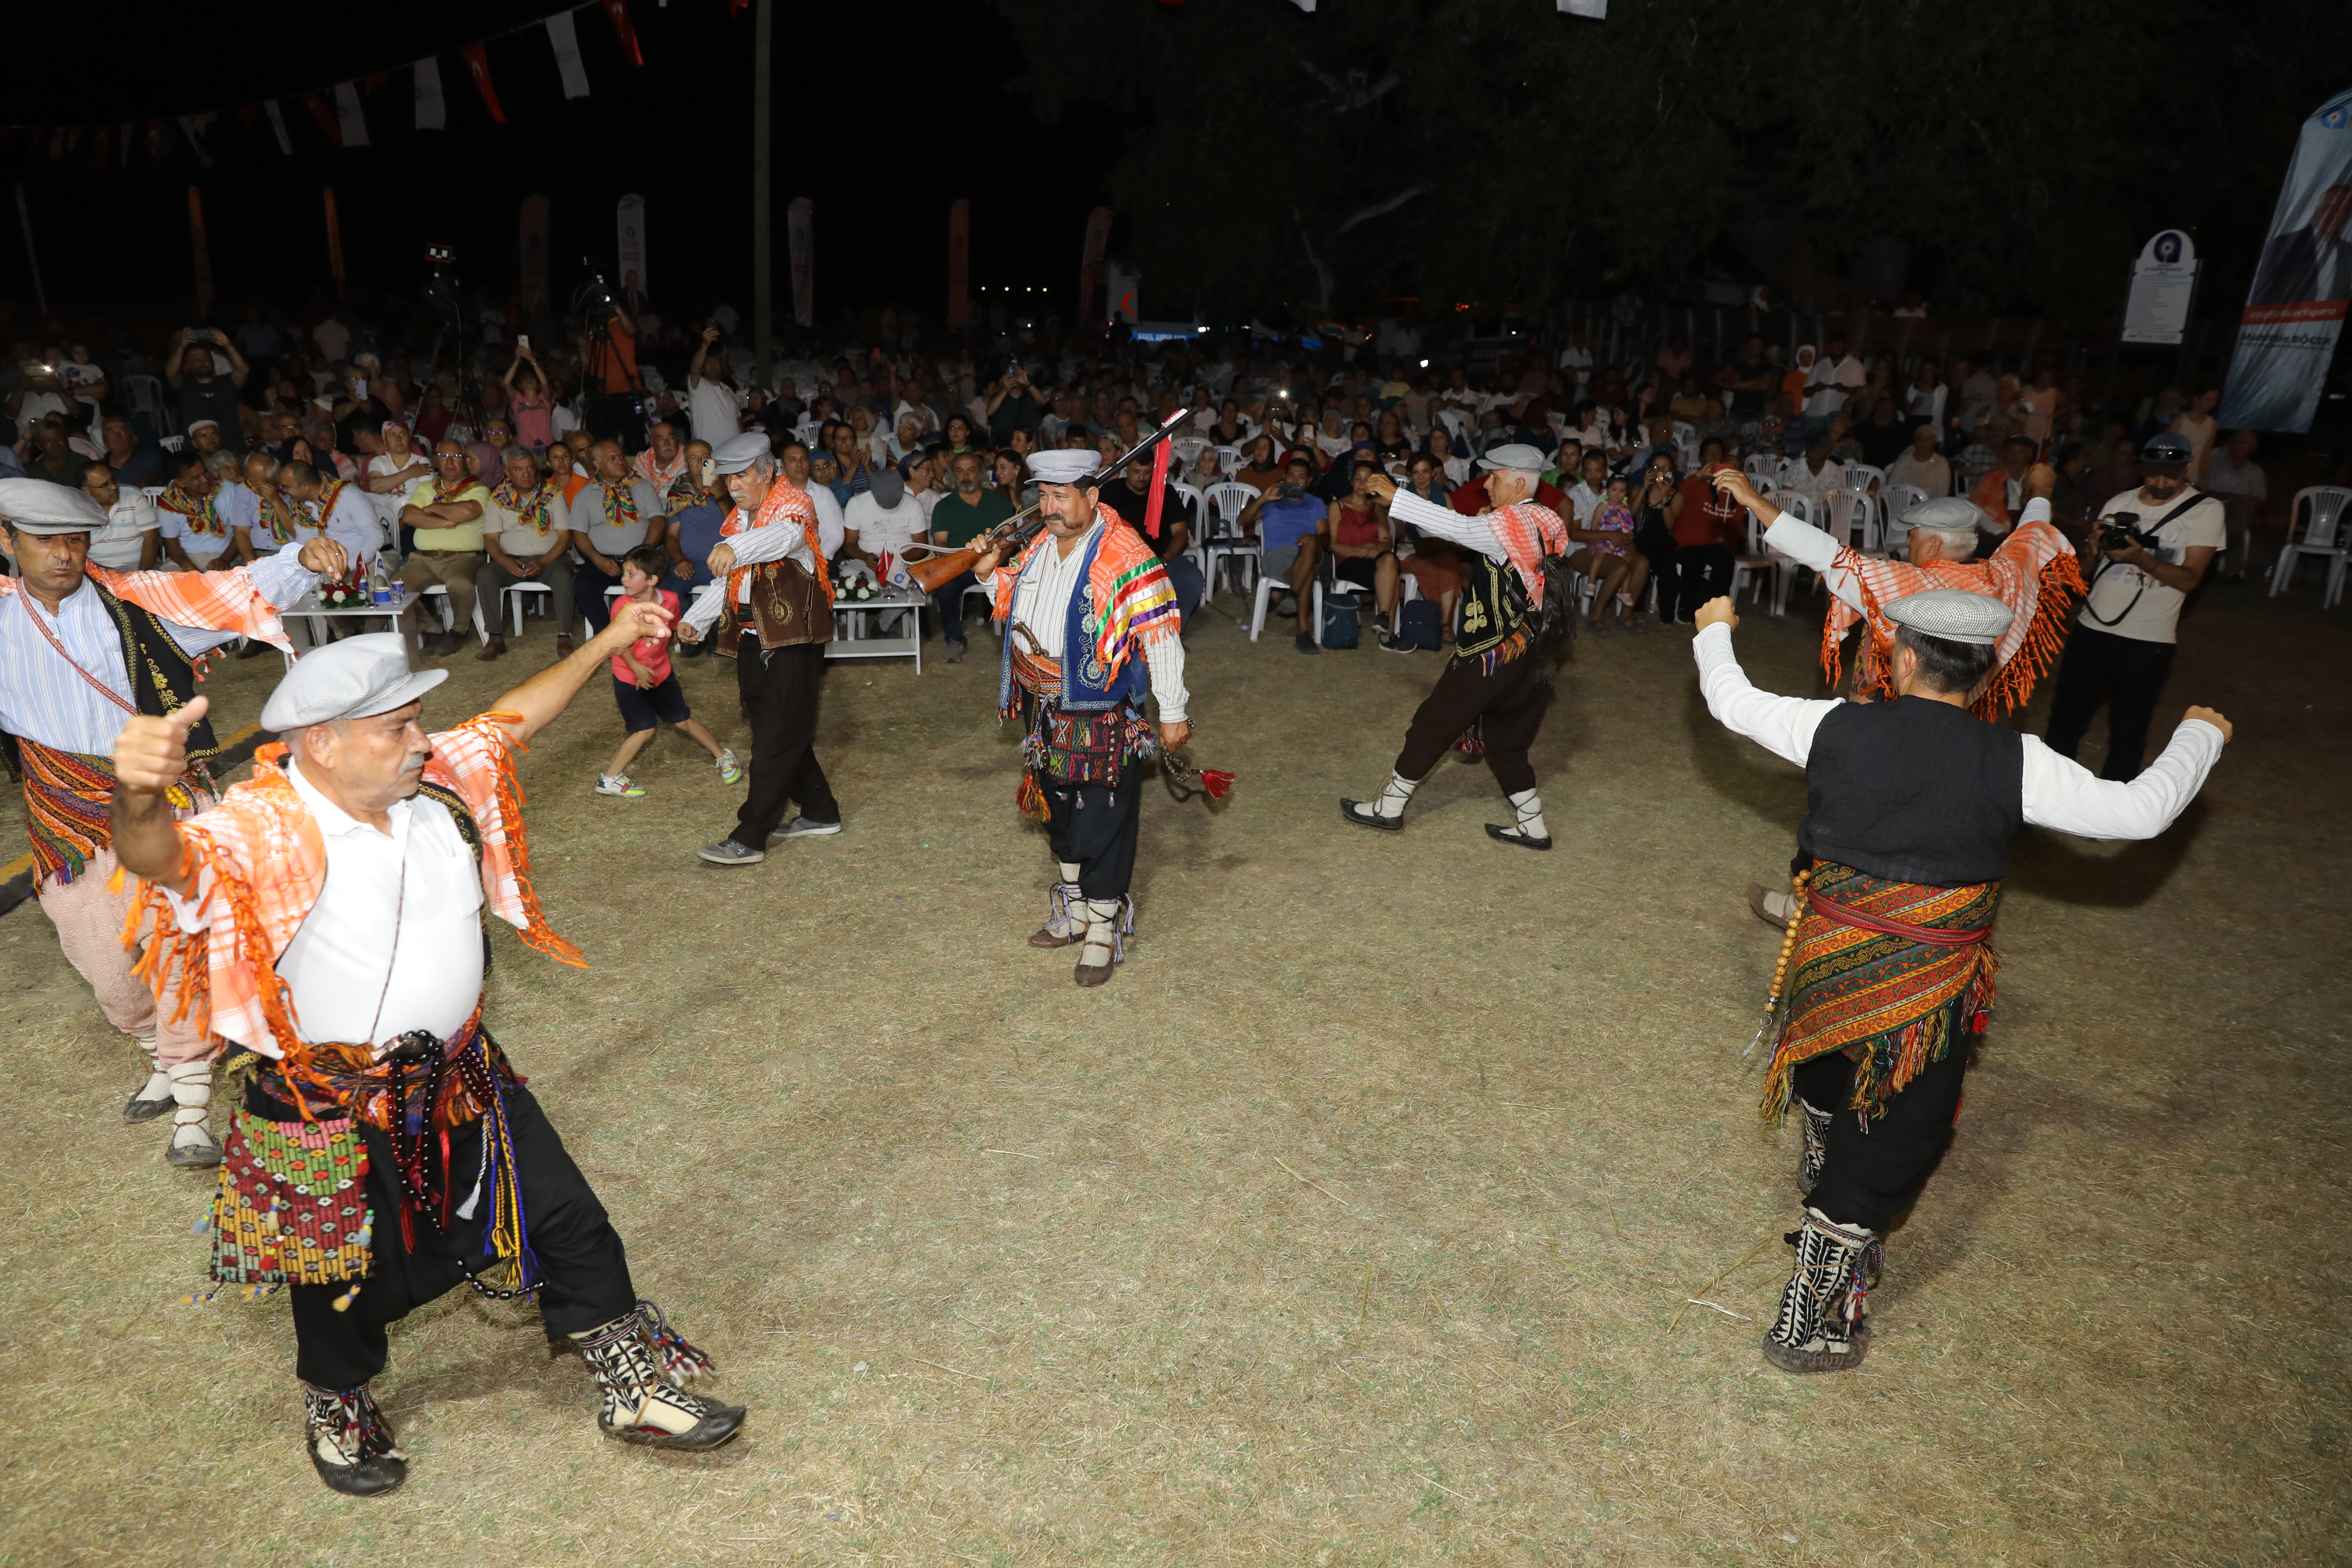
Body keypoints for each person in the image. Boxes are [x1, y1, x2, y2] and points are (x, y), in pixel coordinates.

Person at [108, 621, 747, 1498]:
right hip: (321, 1101)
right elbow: (163, 860)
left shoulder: (434, 782)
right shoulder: (256, 829)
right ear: (320, 743)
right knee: (337, 1274)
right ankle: (339, 1405)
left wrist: (604, 646)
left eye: (419, 721)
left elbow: (510, 722)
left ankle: (631, 1388)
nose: (424, 742)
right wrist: (139, 796)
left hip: (464, 1075)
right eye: (398, 727)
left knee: (570, 1220)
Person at [1690, 586, 2230, 1374]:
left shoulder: (1834, 723)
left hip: (1830, 963)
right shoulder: (2016, 761)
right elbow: (2139, 813)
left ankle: (1822, 1156)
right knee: (1898, 1127)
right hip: (1925, 989)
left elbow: (1730, 701)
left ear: (1902, 656)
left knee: (1832, 1056)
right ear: (1987, 676)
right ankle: (1812, 1318)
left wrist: (1714, 630)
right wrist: (2199, 735)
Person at [0, 477, 339, 1167]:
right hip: (63, 817)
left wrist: (299, 559)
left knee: (182, 948)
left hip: (164, 801)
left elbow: (229, 590)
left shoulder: (135, 603)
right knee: (108, 970)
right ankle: (158, 1053)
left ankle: (191, 1109)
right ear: (6, 543)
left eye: (75, 539)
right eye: (45, 541)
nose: (64, 554)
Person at [964, 449, 1190, 988]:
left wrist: (1174, 710)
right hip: (1041, 702)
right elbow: (1014, 601)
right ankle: (1073, 907)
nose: (1050, 507)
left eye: (1061, 496)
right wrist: (986, 573)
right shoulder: (1039, 544)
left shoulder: (1127, 553)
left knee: (1102, 814)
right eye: (1043, 495)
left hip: (1099, 704)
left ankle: (1102, 927)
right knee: (1057, 806)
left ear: (1092, 496)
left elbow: (1161, 632)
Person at [1340, 444, 1569, 849]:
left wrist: (1399, 498)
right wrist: (1473, 520)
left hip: (1495, 652)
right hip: (1534, 655)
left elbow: (1458, 530)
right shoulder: (1545, 519)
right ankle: (1533, 826)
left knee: (1433, 723)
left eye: (1494, 477)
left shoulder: (1509, 524)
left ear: (1519, 482)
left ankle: (1389, 807)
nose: (1486, 484)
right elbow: (1463, 531)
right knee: (1507, 741)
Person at [678, 433, 845, 865]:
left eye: (743, 475)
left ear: (767, 472)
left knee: (774, 737)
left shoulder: (794, 506)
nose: (733, 485)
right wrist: (696, 619)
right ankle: (820, 810)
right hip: (754, 639)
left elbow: (784, 540)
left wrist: (735, 547)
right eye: (728, 477)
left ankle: (750, 835)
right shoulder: (740, 519)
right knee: (779, 728)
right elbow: (731, 581)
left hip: (793, 642)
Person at [2043, 432, 2225, 781]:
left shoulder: (2206, 510)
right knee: (2065, 717)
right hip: (2092, 628)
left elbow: (2190, 579)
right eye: (2153, 471)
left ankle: (2114, 809)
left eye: (2170, 473)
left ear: (2187, 467)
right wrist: (2093, 548)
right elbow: (2083, 574)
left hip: (2148, 638)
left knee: (2129, 728)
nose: (2160, 481)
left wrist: (2140, 558)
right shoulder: (2119, 502)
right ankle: (2052, 796)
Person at [597, 545, 740, 797]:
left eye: (632, 574)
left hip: (661, 673)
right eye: (624, 573)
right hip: (629, 676)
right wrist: (637, 668)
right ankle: (610, 779)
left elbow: (674, 627)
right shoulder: (621, 606)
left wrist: (683, 636)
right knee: (645, 729)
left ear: (652, 580)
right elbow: (617, 644)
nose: (624, 579)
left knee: (683, 720)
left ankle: (724, 756)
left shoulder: (671, 600)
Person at [473, 447, 576, 661]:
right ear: (507, 473)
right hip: (512, 560)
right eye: (519, 469)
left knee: (562, 576)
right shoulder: (498, 499)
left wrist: (544, 561)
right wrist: (505, 561)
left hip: (551, 559)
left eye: (530, 468)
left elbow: (565, 537)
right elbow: (490, 540)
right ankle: (495, 637)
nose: (526, 474)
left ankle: (564, 637)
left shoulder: (553, 495)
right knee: (486, 574)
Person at [1092, 451, 1206, 634]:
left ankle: (1174, 631)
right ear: (1127, 469)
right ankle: (1127, 636)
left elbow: (1181, 534)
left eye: (1147, 472)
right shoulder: (1111, 492)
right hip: (1121, 561)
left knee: (1192, 579)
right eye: (1137, 471)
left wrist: (1164, 559)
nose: (1142, 477)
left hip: (1160, 559)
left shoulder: (1166, 492)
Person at [397, 441, 493, 657]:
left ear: (465, 461)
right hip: (423, 560)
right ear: (437, 460)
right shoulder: (426, 488)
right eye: (444, 456)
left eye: (456, 456)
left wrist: (431, 510)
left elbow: (468, 511)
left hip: (464, 559)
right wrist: (448, 521)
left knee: (461, 585)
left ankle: (459, 631)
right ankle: (431, 628)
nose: (450, 461)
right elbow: (410, 516)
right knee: (397, 589)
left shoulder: (479, 489)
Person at [1236, 454, 1330, 654]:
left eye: (1301, 477)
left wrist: (1312, 537)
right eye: (1292, 476)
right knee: (1308, 574)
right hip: (1277, 558)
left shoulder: (1316, 503)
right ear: (1284, 478)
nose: (1295, 481)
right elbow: (1241, 522)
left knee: (1311, 544)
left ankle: (1293, 596)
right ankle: (1303, 632)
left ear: (1309, 481)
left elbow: (1326, 539)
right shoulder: (1272, 500)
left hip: (1309, 553)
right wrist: (1263, 498)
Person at [571, 440, 665, 637]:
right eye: (612, 459)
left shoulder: (643, 487)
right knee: (582, 585)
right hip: (604, 560)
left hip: (641, 558)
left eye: (621, 456)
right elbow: (578, 533)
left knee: (663, 581)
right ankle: (607, 635)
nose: (621, 462)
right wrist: (597, 560)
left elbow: (658, 521)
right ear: (597, 464)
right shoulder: (587, 493)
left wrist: (642, 554)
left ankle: (651, 631)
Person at [929, 449, 1014, 662]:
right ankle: (954, 640)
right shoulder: (944, 507)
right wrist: (958, 562)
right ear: (953, 475)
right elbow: (940, 544)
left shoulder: (1000, 502)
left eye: (971, 470)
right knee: (945, 586)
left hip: (998, 562)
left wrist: (998, 559)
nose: (966, 476)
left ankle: (1016, 640)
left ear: (981, 473)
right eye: (960, 471)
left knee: (1022, 579)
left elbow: (1012, 538)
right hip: (960, 566)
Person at [2247, 183, 2352, 306]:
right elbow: (2261, 299)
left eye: (2342, 209)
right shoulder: (2285, 245)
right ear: (2317, 209)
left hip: (2331, 323)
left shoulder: (2349, 253)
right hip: (2290, 323)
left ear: (2348, 216)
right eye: (2329, 207)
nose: (2333, 214)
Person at [1327, 457, 1401, 630]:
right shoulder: (1338, 506)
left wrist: (1371, 547)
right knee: (1394, 578)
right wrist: (1358, 550)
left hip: (1373, 558)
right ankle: (1388, 634)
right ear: (1352, 481)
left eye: (1367, 480)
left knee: (1390, 560)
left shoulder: (1377, 509)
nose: (1362, 483)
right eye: (1358, 479)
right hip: (1348, 560)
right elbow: (1334, 545)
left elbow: (1387, 543)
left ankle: (1383, 616)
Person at [2203, 428, 2266, 578]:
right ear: (2230, 442)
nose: (2242, 446)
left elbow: (2261, 500)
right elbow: (2201, 489)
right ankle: (2233, 567)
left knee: (2244, 509)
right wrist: (2226, 496)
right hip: (2214, 506)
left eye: (2247, 444)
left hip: (2238, 511)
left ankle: (2227, 540)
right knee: (2235, 519)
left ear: (2253, 448)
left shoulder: (2255, 472)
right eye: (2239, 441)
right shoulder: (2214, 462)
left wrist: (2242, 500)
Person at [164, 329, 251, 435]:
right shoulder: (185, 385)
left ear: (213, 363)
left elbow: (244, 371)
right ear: (188, 366)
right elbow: (171, 373)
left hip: (231, 445)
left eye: (206, 358)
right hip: (198, 446)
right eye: (196, 360)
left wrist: (228, 346)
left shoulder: (226, 382)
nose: (202, 362)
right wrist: (182, 347)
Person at [78, 461, 161, 571]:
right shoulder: (78, 508)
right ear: (87, 490)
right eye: (105, 485)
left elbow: (151, 537)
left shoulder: (133, 496)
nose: (113, 487)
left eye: (113, 480)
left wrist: (143, 574)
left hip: (137, 567)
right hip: (97, 570)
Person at [685, 329, 742, 448]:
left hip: (734, 451)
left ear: (722, 367)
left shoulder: (730, 391)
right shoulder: (698, 386)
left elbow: (737, 421)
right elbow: (694, 369)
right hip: (709, 452)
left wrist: (744, 441)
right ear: (703, 367)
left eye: (716, 361)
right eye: (708, 362)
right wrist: (705, 345)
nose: (713, 364)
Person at [1884, 421, 1952, 503]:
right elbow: (1892, 485)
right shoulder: (1904, 460)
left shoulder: (1941, 462)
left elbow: (1943, 491)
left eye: (1929, 439)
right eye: (1921, 438)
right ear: (1916, 440)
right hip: (1902, 506)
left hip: (1928, 507)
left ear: (1935, 442)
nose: (1924, 442)